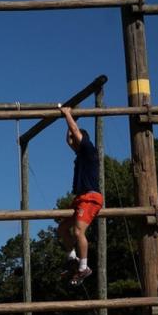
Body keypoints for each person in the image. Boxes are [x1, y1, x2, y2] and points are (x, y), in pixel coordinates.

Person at [57, 105, 102, 285]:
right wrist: (69, 121)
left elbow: (75, 132)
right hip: (80, 198)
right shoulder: (79, 154)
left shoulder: (89, 150)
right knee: (62, 229)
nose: (70, 141)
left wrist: (67, 114)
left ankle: (84, 267)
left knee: (77, 231)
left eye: (73, 138)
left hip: (91, 197)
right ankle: (72, 260)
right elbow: (69, 138)